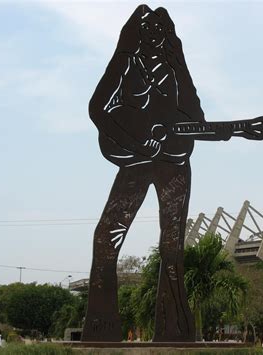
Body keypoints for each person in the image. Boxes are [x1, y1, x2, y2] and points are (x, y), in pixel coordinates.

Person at [81, 5, 217, 342]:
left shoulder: (174, 67)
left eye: (161, 27)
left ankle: (175, 328)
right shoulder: (126, 62)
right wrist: (138, 143)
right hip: (135, 161)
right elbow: (98, 108)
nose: (154, 34)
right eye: (147, 27)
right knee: (106, 235)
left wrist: (181, 64)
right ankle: (101, 325)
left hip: (173, 164)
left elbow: (196, 116)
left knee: (172, 248)